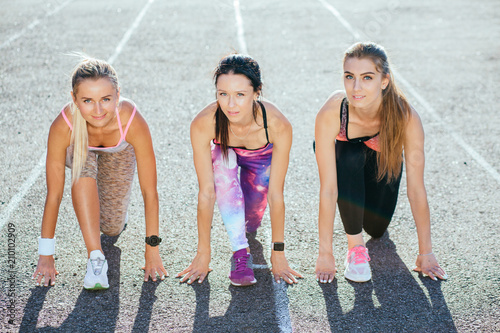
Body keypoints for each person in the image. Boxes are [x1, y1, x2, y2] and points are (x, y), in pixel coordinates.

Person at [314, 42, 447, 283]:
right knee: (349, 153)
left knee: (376, 229)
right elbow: (329, 189)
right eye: (349, 77)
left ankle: (365, 211)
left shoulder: (405, 117)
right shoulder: (333, 112)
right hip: (347, 166)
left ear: (383, 80)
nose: (356, 87)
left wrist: (425, 252)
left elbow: (416, 190)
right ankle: (355, 249)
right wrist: (325, 253)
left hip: (381, 165)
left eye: (367, 77)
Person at [32, 57, 167, 289]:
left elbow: (149, 192)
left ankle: (109, 220)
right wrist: (46, 255)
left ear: (118, 95)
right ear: (74, 99)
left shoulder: (132, 120)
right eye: (87, 100)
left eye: (105, 99)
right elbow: (54, 194)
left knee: (112, 228)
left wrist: (152, 250)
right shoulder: (63, 126)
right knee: (82, 162)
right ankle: (95, 257)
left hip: (118, 152)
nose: (97, 110)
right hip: (80, 147)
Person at [177, 54, 302, 286]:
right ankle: (240, 252)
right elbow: (206, 192)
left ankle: (246, 227)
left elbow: (276, 194)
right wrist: (203, 253)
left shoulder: (277, 125)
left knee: (249, 222)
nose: (230, 104)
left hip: (261, 159)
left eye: (240, 95)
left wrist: (279, 252)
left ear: (257, 93)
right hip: (226, 153)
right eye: (223, 94)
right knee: (223, 172)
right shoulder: (204, 123)